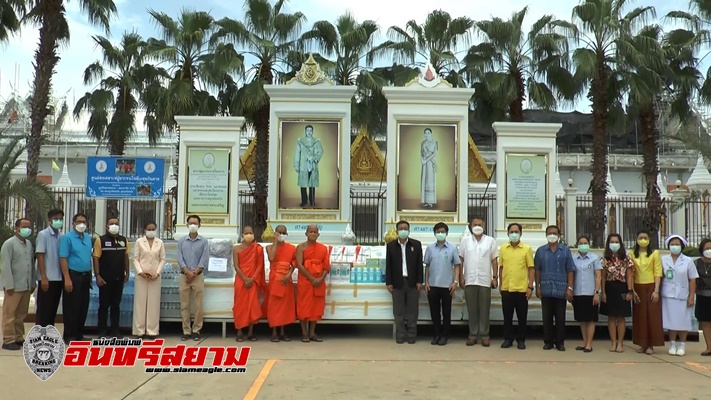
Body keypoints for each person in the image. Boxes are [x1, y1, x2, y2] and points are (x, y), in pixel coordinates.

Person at [534, 225, 575, 351]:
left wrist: (569, 288)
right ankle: (548, 341)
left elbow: (570, 270)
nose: (552, 235)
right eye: (549, 233)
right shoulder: (540, 251)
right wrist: (538, 286)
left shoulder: (565, 250)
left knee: (560, 317)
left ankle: (560, 342)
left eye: (554, 233)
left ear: (559, 235)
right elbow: (537, 270)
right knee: (546, 317)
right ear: (546, 235)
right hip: (545, 289)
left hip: (561, 289)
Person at [459, 217, 498, 347]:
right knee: (472, 309)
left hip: (485, 279)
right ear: (471, 226)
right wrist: (461, 277)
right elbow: (461, 260)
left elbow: (494, 260)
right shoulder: (465, 241)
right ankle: (472, 335)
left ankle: (485, 335)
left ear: (484, 226)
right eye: (475, 224)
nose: (477, 226)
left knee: (485, 309)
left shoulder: (490, 241)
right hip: (469, 279)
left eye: (479, 224)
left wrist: (495, 277)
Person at [385, 220, 424, 344]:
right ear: (397, 231)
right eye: (401, 229)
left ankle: (412, 335)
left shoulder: (416, 245)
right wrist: (389, 282)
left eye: (405, 228)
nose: (403, 231)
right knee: (398, 311)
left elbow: (419, 265)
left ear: (409, 230)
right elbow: (388, 266)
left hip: (412, 282)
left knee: (412, 311)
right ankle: (400, 335)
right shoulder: (391, 246)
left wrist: (419, 281)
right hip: (397, 283)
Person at [660, 234, 698, 357]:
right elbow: (660, 276)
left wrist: (691, 296)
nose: (674, 247)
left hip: (683, 295)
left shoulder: (688, 261)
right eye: (672, 244)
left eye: (677, 244)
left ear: (681, 246)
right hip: (668, 294)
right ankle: (671, 344)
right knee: (671, 321)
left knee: (682, 321)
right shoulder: (664, 259)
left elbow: (692, 279)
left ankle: (682, 344)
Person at [1, 218, 36, 350]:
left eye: (29, 226)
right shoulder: (9, 244)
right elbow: (5, 265)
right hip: (14, 286)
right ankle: (8, 339)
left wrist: (32, 282)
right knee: (10, 313)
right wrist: (8, 285)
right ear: (16, 228)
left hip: (26, 285)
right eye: (24, 226)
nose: (27, 229)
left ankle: (19, 337)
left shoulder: (28, 244)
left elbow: (31, 264)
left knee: (21, 313)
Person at [498, 223, 534, 350]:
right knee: (507, 316)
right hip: (507, 288)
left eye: (516, 231)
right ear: (508, 234)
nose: (514, 234)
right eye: (511, 231)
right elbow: (501, 267)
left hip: (521, 288)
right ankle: (508, 339)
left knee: (522, 316)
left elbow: (531, 268)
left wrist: (530, 287)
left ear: (521, 233)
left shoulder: (526, 249)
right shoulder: (503, 248)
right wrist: (501, 284)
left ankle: (521, 340)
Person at [59, 213, 94, 344]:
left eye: (84, 222)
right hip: (73, 275)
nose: (81, 224)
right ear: (73, 223)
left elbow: (88, 258)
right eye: (79, 221)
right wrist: (67, 279)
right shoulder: (67, 238)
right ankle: (69, 335)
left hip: (85, 276)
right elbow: (63, 258)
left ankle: (80, 334)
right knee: (71, 307)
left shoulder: (88, 238)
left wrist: (90, 277)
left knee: (83, 306)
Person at [423, 222, 460, 346]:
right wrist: (426, 282)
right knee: (434, 312)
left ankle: (445, 335)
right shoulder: (430, 248)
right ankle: (436, 334)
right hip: (432, 285)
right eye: (438, 232)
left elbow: (457, 266)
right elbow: (427, 266)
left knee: (446, 312)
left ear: (447, 233)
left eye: (442, 232)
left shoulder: (453, 248)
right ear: (434, 233)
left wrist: (455, 282)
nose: (440, 234)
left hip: (447, 286)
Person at [93, 217, 129, 338]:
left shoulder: (124, 240)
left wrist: (127, 273)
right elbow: (96, 258)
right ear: (106, 226)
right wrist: (97, 275)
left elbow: (126, 257)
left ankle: (115, 330)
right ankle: (102, 331)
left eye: (116, 224)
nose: (114, 225)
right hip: (104, 279)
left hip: (118, 279)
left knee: (116, 306)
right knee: (103, 305)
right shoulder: (100, 240)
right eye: (111, 224)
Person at [630, 230, 664, 355]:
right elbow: (631, 274)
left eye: (645, 237)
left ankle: (651, 345)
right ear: (636, 239)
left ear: (649, 239)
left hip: (651, 287)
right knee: (640, 316)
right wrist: (632, 290)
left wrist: (656, 290)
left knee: (652, 316)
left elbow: (657, 272)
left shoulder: (655, 254)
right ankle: (642, 343)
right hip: (638, 287)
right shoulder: (632, 254)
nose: (643, 240)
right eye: (640, 238)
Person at [600, 233, 635, 353]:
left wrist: (630, 291)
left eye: (616, 242)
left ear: (620, 244)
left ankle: (620, 343)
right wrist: (603, 292)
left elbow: (630, 276)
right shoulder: (605, 259)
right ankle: (613, 342)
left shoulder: (626, 259)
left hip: (622, 288)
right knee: (611, 317)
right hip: (609, 288)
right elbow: (603, 277)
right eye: (612, 242)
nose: (614, 244)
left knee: (620, 317)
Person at [295, 225, 331, 342]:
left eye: (315, 232)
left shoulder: (323, 248)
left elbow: (326, 266)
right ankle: (304, 333)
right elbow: (299, 265)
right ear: (306, 234)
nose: (313, 233)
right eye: (311, 231)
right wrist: (310, 277)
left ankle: (312, 333)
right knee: (304, 306)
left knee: (316, 306)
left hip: (319, 281)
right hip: (305, 280)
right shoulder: (301, 247)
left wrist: (321, 278)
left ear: (318, 234)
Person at [176, 215, 209, 341]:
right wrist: (187, 272)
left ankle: (196, 330)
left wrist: (194, 273)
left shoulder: (204, 241)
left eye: (195, 223)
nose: (193, 225)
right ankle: (186, 330)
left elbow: (204, 259)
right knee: (184, 305)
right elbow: (179, 258)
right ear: (187, 225)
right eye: (190, 223)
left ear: (199, 225)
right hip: (184, 276)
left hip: (198, 276)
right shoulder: (181, 241)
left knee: (198, 305)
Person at [132, 222, 165, 338]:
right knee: (140, 303)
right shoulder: (139, 242)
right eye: (149, 229)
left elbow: (162, 259)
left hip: (155, 276)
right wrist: (140, 271)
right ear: (144, 230)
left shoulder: (160, 242)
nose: (151, 231)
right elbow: (135, 259)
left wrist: (157, 272)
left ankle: (152, 331)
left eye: (153, 229)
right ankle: (139, 331)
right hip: (141, 276)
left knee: (153, 304)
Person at [233, 226, 266, 342]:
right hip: (241, 279)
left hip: (253, 280)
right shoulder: (236, 249)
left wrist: (252, 278)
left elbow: (260, 265)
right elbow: (236, 266)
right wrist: (245, 278)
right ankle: (239, 331)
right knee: (240, 305)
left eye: (250, 233)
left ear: (254, 234)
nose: (248, 235)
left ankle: (251, 332)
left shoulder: (258, 248)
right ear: (242, 235)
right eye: (246, 233)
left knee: (252, 305)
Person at [265, 225, 296, 342]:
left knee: (285, 306)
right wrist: (275, 242)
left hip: (287, 279)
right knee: (274, 305)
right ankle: (274, 332)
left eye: (283, 232)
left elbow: (294, 262)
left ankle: (283, 332)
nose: (281, 234)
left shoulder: (292, 248)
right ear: (275, 233)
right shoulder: (269, 247)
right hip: (275, 278)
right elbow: (272, 258)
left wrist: (289, 274)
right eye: (279, 232)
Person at [571, 235, 602, 352]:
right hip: (578, 293)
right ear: (577, 245)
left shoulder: (594, 258)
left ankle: (589, 344)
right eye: (581, 243)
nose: (583, 245)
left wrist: (596, 292)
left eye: (585, 243)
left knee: (591, 319)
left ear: (589, 244)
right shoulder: (574, 258)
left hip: (591, 293)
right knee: (582, 319)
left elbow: (598, 276)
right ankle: (584, 343)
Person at [35, 208, 65, 327]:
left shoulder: (62, 236)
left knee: (53, 309)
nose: (58, 221)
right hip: (47, 278)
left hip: (58, 278)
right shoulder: (43, 234)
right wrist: (43, 277)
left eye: (60, 219)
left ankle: (49, 333)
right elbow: (40, 255)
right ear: (49, 220)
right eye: (56, 219)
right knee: (44, 309)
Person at [294, 124, 324, 208]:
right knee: (303, 184)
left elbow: (320, 151)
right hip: (303, 165)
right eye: (307, 130)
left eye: (311, 130)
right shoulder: (300, 141)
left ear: (312, 132)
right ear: (305, 131)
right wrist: (296, 165)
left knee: (312, 184)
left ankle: (312, 201)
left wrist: (314, 157)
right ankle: (304, 201)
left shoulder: (316, 141)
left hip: (312, 165)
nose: (309, 132)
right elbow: (297, 153)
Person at [695, 238, 711, 356]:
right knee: (705, 322)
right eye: (707, 248)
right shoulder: (696, 263)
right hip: (702, 296)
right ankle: (709, 347)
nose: (709, 251)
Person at [420, 128, 438, 208]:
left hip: (430, 163)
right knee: (424, 180)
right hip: (424, 163)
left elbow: (435, 153)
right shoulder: (423, 143)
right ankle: (426, 201)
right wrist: (422, 161)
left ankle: (431, 202)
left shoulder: (435, 142)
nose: (426, 134)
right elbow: (421, 152)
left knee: (430, 180)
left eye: (428, 133)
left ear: (431, 133)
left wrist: (426, 160)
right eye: (425, 133)